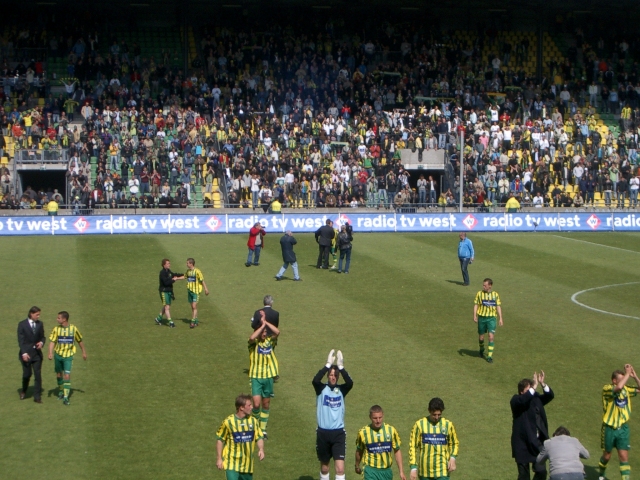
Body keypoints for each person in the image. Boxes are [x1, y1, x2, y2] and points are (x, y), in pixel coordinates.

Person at [313, 349, 354, 480]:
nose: (333, 377)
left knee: (340, 468)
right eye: (331, 374)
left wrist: (341, 367)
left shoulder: (342, 390)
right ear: (327, 376)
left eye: (335, 375)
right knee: (325, 467)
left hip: (338, 434)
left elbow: (350, 383)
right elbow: (315, 380)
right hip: (323, 433)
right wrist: (327, 365)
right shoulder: (321, 389)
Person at [598, 364, 640, 480]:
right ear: (614, 380)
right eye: (622, 379)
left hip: (623, 429)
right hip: (609, 428)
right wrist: (627, 373)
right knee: (607, 456)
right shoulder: (607, 389)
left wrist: (635, 376)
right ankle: (601, 475)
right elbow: (618, 388)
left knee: (623, 457)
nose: (624, 381)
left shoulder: (627, 389)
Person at [511, 371, 554, 480]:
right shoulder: (516, 401)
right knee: (524, 476)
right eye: (529, 389)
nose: (533, 392)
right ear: (521, 392)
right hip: (522, 444)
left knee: (541, 472)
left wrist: (542, 384)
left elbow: (549, 395)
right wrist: (534, 387)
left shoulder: (535, 399)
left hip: (537, 443)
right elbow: (523, 400)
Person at [216, 394, 265, 479]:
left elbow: (259, 437)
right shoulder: (228, 422)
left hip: (247, 465)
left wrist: (261, 449)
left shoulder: (253, 421)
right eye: (249, 405)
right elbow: (220, 440)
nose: (252, 407)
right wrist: (219, 458)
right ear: (241, 407)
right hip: (231, 463)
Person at [408, 397, 459, 480]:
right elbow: (412, 447)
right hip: (425, 473)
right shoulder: (419, 425)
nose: (436, 417)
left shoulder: (447, 425)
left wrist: (453, 458)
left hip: (443, 472)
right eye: (434, 414)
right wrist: (413, 468)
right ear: (429, 411)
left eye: (439, 415)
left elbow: (454, 443)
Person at [248, 310, 280, 439]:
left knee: (266, 404)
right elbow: (251, 338)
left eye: (266, 332)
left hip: (268, 377)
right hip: (256, 377)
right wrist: (261, 326)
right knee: (256, 404)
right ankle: (256, 426)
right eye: (263, 332)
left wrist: (265, 322)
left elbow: (277, 332)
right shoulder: (254, 344)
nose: (264, 333)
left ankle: (262, 430)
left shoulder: (270, 343)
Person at [355, 405, 406, 480]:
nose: (378, 421)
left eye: (380, 417)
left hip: (386, 471)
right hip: (370, 471)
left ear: (383, 415)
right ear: (370, 417)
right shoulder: (363, 432)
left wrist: (401, 471)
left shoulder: (391, 430)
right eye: (375, 418)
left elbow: (397, 450)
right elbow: (359, 450)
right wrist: (357, 465)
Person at [47, 311, 87, 405]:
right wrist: (50, 352)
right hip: (58, 355)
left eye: (58, 318)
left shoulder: (73, 329)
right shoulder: (56, 329)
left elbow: (79, 340)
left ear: (64, 319)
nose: (57, 319)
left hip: (68, 356)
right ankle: (61, 391)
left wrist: (84, 352)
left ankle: (66, 397)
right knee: (59, 374)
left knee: (67, 375)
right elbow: (52, 341)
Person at [17, 306, 46, 403]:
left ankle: (37, 397)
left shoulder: (40, 324)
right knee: (27, 374)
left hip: (37, 355)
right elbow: (21, 341)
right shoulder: (22, 324)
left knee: (38, 375)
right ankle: (24, 390)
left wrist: (41, 343)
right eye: (37, 314)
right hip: (26, 354)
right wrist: (24, 353)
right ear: (31, 314)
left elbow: (43, 337)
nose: (38, 316)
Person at [473, 278, 503, 363]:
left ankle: (489, 356)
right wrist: (474, 315)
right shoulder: (479, 294)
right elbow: (476, 305)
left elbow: (498, 306)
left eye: (485, 285)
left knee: (491, 337)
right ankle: (481, 349)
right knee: (481, 337)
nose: (483, 286)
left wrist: (501, 318)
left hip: (491, 318)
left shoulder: (495, 295)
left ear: (490, 286)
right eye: (483, 285)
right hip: (482, 318)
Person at [155, 258, 184, 328]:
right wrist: (174, 280)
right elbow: (166, 282)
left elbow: (174, 275)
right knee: (167, 307)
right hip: (164, 291)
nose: (169, 265)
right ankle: (170, 322)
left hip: (168, 291)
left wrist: (184, 275)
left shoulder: (168, 271)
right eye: (168, 263)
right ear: (164, 265)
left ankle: (158, 318)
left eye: (169, 263)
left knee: (166, 306)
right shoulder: (162, 273)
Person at [185, 257, 209, 328]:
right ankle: (196, 320)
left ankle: (192, 322)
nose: (186, 264)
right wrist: (177, 278)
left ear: (191, 264)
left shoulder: (197, 271)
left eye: (187, 263)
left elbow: (202, 280)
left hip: (196, 292)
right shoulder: (188, 271)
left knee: (194, 306)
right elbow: (185, 276)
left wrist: (206, 289)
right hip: (190, 291)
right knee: (193, 307)